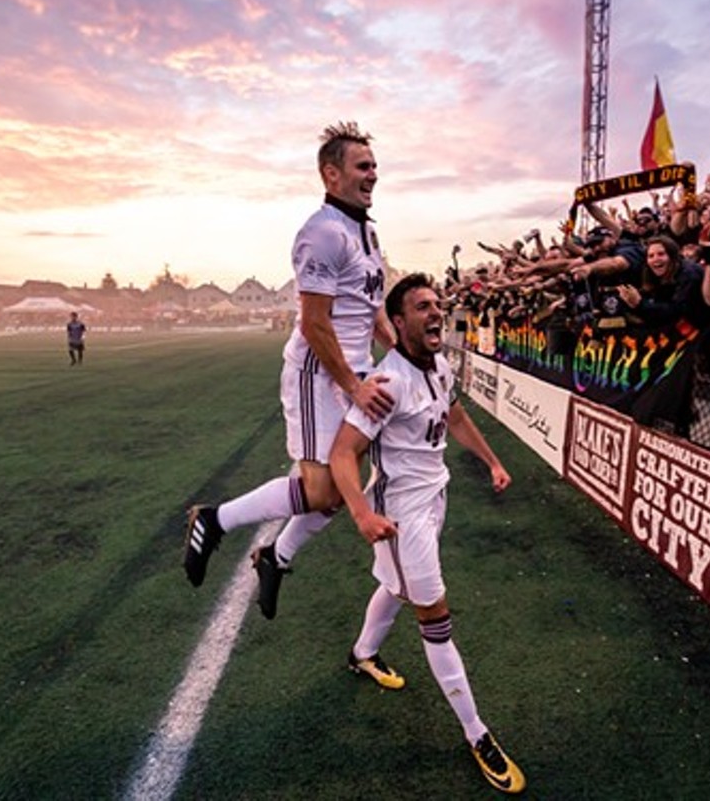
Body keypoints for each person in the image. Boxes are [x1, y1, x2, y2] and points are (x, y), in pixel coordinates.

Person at [183, 121, 396, 619]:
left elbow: (373, 310)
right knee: (323, 490)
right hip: (319, 374)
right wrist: (351, 385)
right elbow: (315, 323)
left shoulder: (365, 231)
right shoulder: (322, 232)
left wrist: (404, 355)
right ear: (331, 174)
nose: (373, 175)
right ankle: (214, 519)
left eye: (374, 167)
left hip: (355, 372)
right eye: (363, 167)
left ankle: (275, 559)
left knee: (338, 492)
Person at [328, 273, 525, 795]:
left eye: (437, 304)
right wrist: (361, 515)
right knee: (433, 612)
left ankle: (362, 654)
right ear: (398, 322)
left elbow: (454, 416)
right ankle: (476, 733)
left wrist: (490, 459)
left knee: (397, 588)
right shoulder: (388, 383)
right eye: (422, 307)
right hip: (401, 515)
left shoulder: (439, 364)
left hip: (435, 495)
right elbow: (342, 453)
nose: (436, 313)